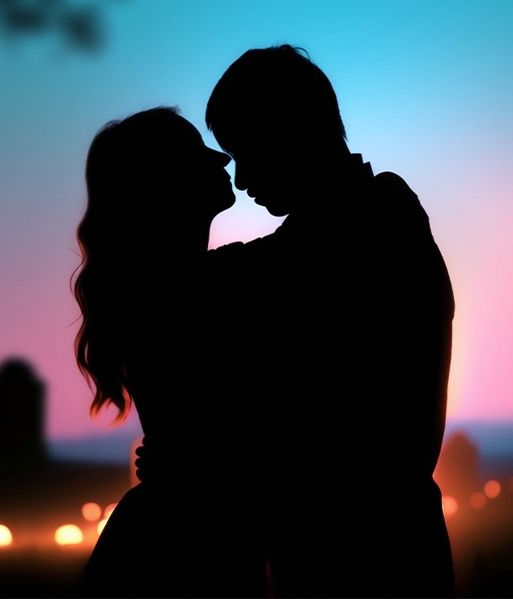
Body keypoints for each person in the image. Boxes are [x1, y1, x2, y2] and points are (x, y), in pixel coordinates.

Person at [195, 44, 457, 597]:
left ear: (287, 130)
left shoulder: (372, 221)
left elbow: (255, 277)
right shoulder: (361, 221)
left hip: (367, 561)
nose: (241, 181)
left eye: (247, 151)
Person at [74, 107, 268, 597]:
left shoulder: (155, 290)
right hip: (190, 548)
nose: (221, 157)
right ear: (162, 183)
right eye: (195, 150)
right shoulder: (204, 289)